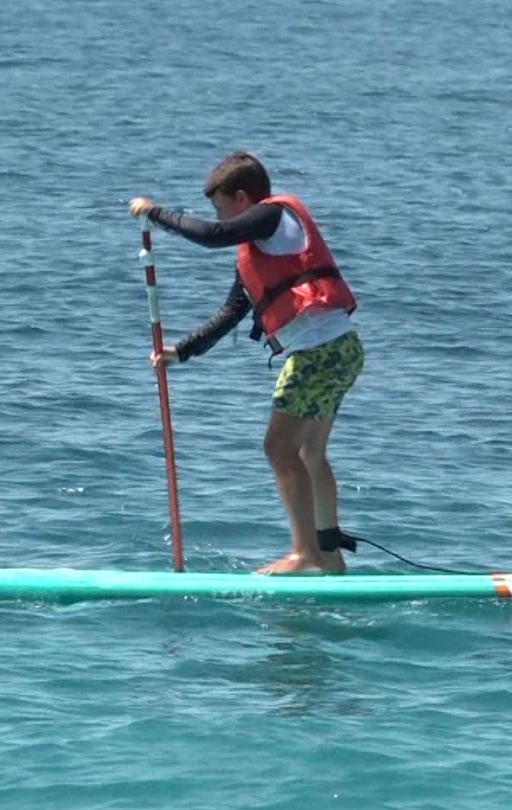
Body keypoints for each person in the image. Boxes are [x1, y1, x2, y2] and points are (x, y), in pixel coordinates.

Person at [129, 151, 365, 575]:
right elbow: (232, 312)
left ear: (242, 198)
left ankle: (305, 555)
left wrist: (156, 213)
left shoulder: (271, 218)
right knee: (311, 451)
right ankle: (330, 556)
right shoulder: (261, 249)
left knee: (279, 448)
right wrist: (182, 351)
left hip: (317, 353)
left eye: (221, 207)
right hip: (342, 350)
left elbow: (212, 235)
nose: (220, 217)